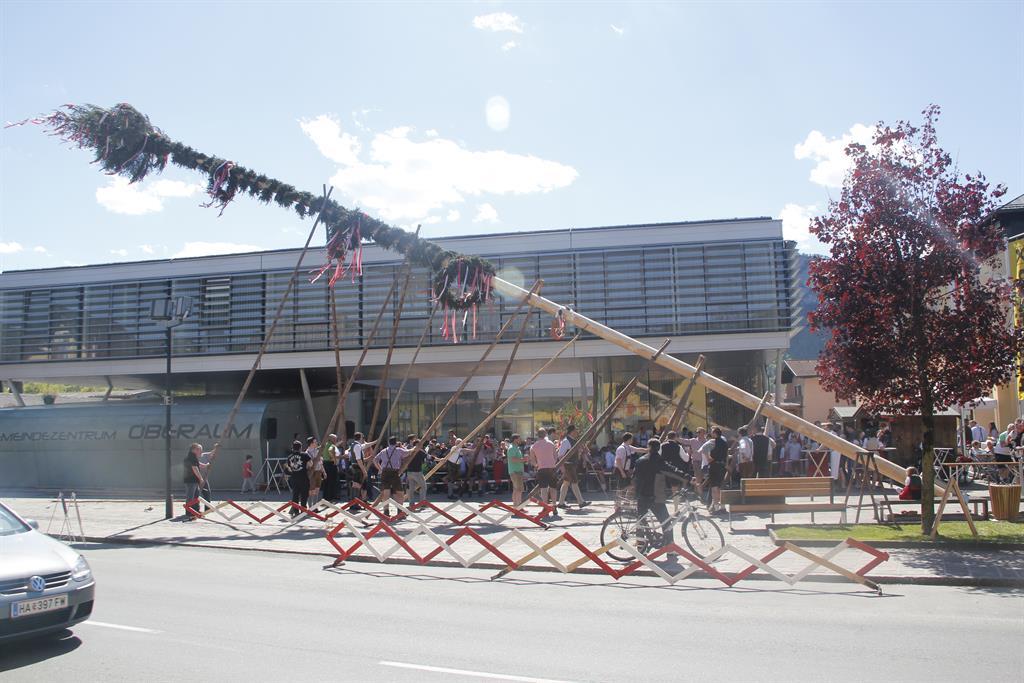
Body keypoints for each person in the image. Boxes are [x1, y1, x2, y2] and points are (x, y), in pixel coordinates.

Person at [632, 439, 687, 555]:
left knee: (641, 521)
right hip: (655, 496)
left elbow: (634, 477)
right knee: (666, 521)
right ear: (658, 448)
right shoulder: (658, 460)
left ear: (648, 447)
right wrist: (688, 477)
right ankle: (670, 548)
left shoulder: (640, 460)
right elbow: (672, 470)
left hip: (641, 495)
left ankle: (641, 548)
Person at [556, 426, 590, 510]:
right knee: (574, 482)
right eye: (575, 430)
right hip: (568, 465)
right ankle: (581, 502)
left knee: (566, 483)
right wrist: (562, 467)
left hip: (572, 465)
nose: (577, 432)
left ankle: (561, 503)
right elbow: (560, 455)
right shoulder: (566, 441)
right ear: (571, 431)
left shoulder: (574, 441)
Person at [374, 436, 410, 511]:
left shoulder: (384, 451)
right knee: (400, 492)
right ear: (396, 442)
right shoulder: (399, 450)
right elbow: (409, 452)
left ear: (388, 442)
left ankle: (386, 511)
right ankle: (399, 511)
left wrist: (380, 469)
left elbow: (375, 460)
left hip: (385, 472)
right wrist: (404, 447)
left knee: (386, 493)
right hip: (394, 473)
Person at [529, 428, 559, 509]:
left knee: (543, 489)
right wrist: (552, 463)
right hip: (552, 468)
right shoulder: (551, 443)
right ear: (545, 434)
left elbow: (532, 460)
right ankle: (554, 506)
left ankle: (545, 507)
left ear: (537, 435)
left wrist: (536, 465)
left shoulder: (533, 446)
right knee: (553, 488)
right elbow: (555, 456)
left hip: (541, 468)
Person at [701, 427, 728, 513]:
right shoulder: (724, 442)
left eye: (712, 432)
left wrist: (707, 457)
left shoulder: (713, 442)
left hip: (714, 466)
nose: (711, 434)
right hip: (722, 466)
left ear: (715, 433)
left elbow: (710, 455)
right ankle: (723, 507)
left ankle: (716, 508)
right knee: (720, 487)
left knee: (714, 488)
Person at [285, 440, 311, 516]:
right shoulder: (305, 455)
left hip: (294, 478)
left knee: (295, 495)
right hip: (303, 477)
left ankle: (295, 511)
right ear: (301, 447)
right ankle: (303, 510)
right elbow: (310, 464)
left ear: (293, 448)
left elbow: (289, 468)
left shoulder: (289, 457)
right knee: (304, 494)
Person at [404, 437, 429, 505]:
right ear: (417, 444)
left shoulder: (410, 450)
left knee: (411, 489)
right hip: (417, 472)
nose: (421, 446)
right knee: (423, 487)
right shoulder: (420, 451)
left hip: (409, 472)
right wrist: (440, 459)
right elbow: (429, 457)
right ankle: (422, 503)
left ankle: (411, 503)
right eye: (420, 444)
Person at [183, 443, 204, 520]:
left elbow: (198, 464)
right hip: (191, 480)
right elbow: (195, 468)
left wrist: (206, 465)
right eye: (199, 449)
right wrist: (200, 478)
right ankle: (189, 512)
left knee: (196, 496)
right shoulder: (191, 457)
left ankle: (195, 510)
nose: (201, 451)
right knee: (191, 497)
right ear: (194, 449)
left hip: (194, 480)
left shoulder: (193, 457)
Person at [505, 434, 527, 506]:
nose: (520, 440)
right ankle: (519, 507)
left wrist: (523, 460)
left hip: (517, 471)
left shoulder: (515, 448)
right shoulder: (512, 448)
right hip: (515, 472)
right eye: (519, 439)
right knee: (519, 490)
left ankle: (516, 506)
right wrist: (524, 459)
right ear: (515, 439)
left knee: (516, 489)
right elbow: (513, 459)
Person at [321, 433, 340, 502]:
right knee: (332, 482)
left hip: (325, 463)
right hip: (331, 464)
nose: (336, 440)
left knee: (326, 482)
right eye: (335, 439)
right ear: (332, 439)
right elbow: (330, 450)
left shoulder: (325, 445)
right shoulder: (332, 446)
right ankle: (330, 498)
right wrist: (335, 460)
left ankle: (325, 497)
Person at [306, 436, 325, 507]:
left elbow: (321, 463)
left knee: (317, 490)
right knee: (311, 491)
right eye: (315, 442)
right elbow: (308, 464)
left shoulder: (317, 451)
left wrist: (323, 472)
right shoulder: (307, 453)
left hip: (318, 472)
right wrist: (314, 461)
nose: (317, 443)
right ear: (311, 443)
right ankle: (310, 507)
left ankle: (315, 506)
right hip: (312, 472)